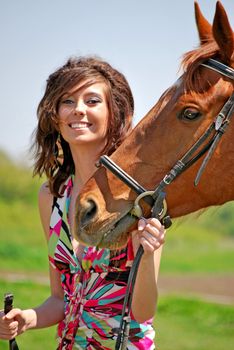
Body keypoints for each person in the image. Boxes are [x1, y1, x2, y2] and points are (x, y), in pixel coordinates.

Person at [0, 56, 166, 349]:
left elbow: (143, 311)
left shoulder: (139, 195)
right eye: (67, 101)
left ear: (114, 113)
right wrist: (27, 318)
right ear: (55, 116)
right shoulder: (51, 197)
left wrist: (148, 253)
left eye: (91, 101)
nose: (78, 109)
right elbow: (60, 299)